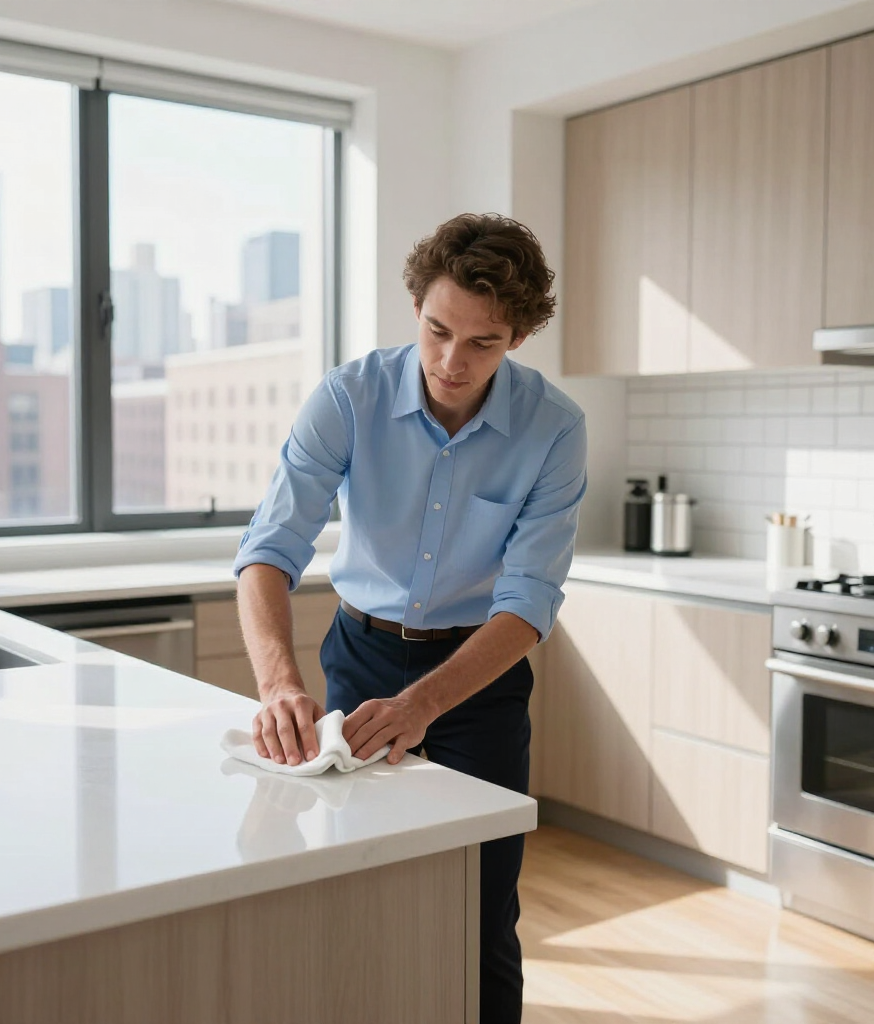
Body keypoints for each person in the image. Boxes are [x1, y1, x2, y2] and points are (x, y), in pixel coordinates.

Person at [233, 212, 587, 1023]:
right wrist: (280, 684)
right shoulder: (347, 397)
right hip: (358, 658)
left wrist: (426, 703)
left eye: (483, 343)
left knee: (483, 907)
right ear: (416, 307)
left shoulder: (554, 429)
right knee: (354, 886)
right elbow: (269, 548)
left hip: (478, 680)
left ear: (519, 337)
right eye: (437, 331)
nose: (451, 363)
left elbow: (528, 600)